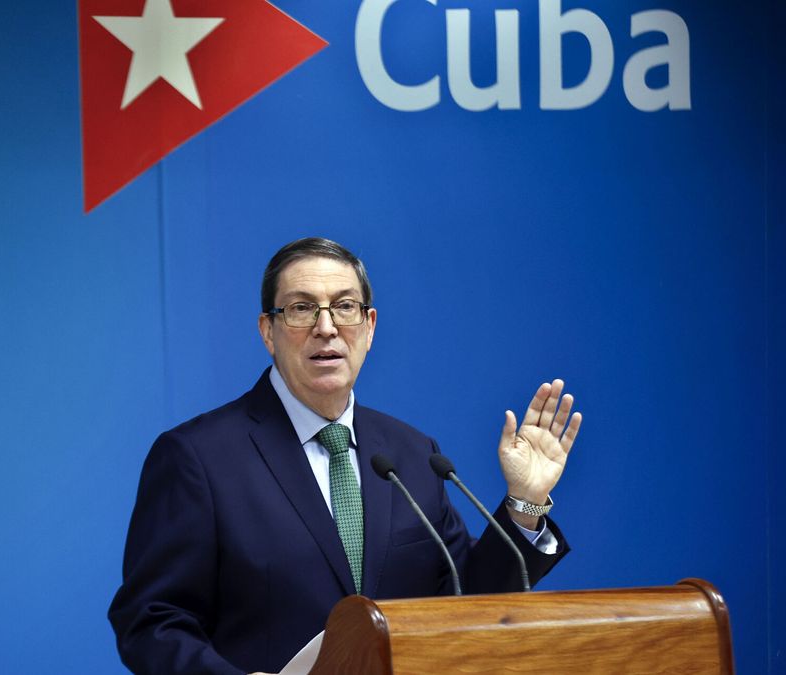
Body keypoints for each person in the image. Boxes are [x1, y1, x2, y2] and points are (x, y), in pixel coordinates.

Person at [108, 238, 582, 675]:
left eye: (345, 307)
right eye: (301, 309)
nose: (327, 327)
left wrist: (524, 502)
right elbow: (151, 620)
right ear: (268, 331)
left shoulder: (412, 453)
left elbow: (463, 605)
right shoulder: (197, 457)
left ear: (369, 327)